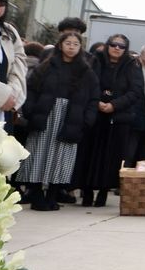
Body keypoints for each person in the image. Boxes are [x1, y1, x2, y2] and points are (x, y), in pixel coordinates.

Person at [14, 30, 99, 211]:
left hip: (71, 118)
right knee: (38, 154)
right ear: (60, 45)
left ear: (80, 48)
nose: (71, 47)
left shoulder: (86, 71)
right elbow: (31, 90)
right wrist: (30, 111)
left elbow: (93, 98)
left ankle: (52, 195)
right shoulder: (46, 66)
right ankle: (36, 195)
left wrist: (86, 120)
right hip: (45, 115)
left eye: (75, 44)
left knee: (62, 157)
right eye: (68, 43)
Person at [74, 34, 144, 208]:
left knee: (111, 157)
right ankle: (87, 191)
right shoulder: (95, 60)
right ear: (107, 45)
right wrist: (97, 102)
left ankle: (103, 192)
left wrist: (114, 105)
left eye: (121, 46)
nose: (117, 48)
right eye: (114, 44)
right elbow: (87, 84)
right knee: (89, 154)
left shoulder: (131, 66)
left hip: (118, 117)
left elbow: (135, 92)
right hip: (95, 115)